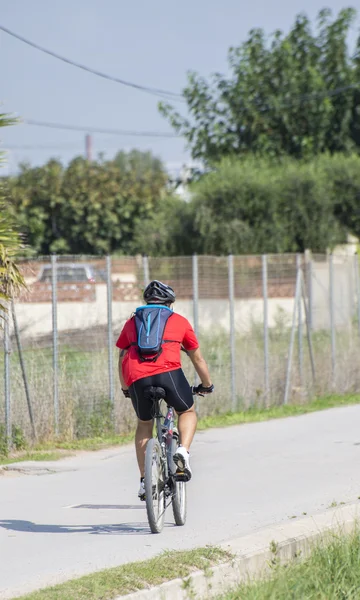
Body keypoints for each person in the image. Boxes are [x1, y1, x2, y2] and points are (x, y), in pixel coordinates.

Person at [116, 279, 214, 499]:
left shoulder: (132, 323)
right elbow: (197, 358)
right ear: (169, 304)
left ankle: (144, 482)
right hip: (168, 373)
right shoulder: (178, 320)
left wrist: (125, 388)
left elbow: (121, 356)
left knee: (144, 423)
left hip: (137, 378)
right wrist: (207, 385)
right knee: (187, 411)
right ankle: (182, 452)